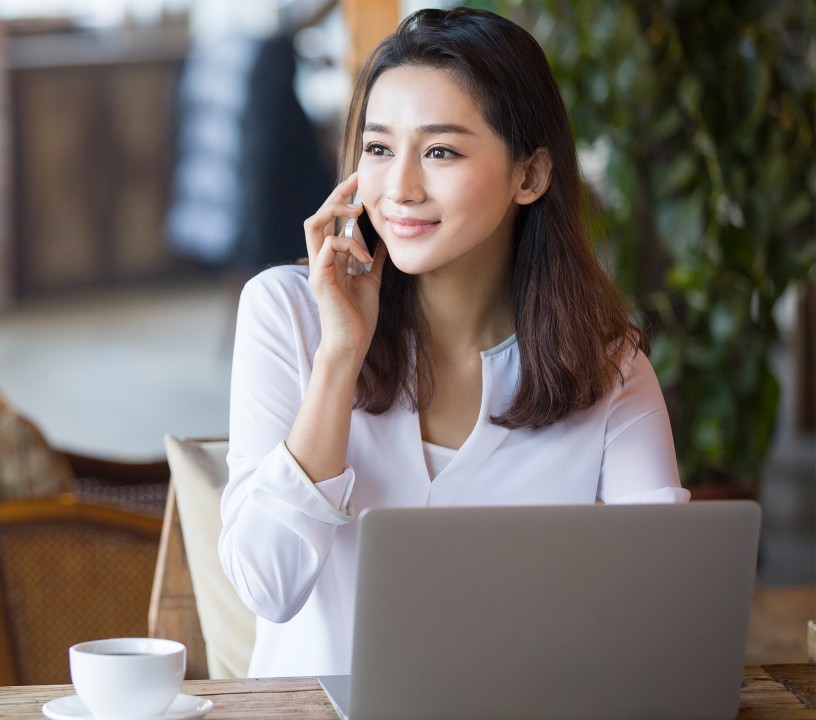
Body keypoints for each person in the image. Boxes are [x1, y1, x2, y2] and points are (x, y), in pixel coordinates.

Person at [217, 7, 690, 679]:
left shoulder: (607, 370)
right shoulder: (288, 314)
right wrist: (338, 357)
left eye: (441, 151)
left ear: (529, 176)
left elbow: (668, 609)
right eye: (379, 149)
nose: (400, 188)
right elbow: (269, 585)